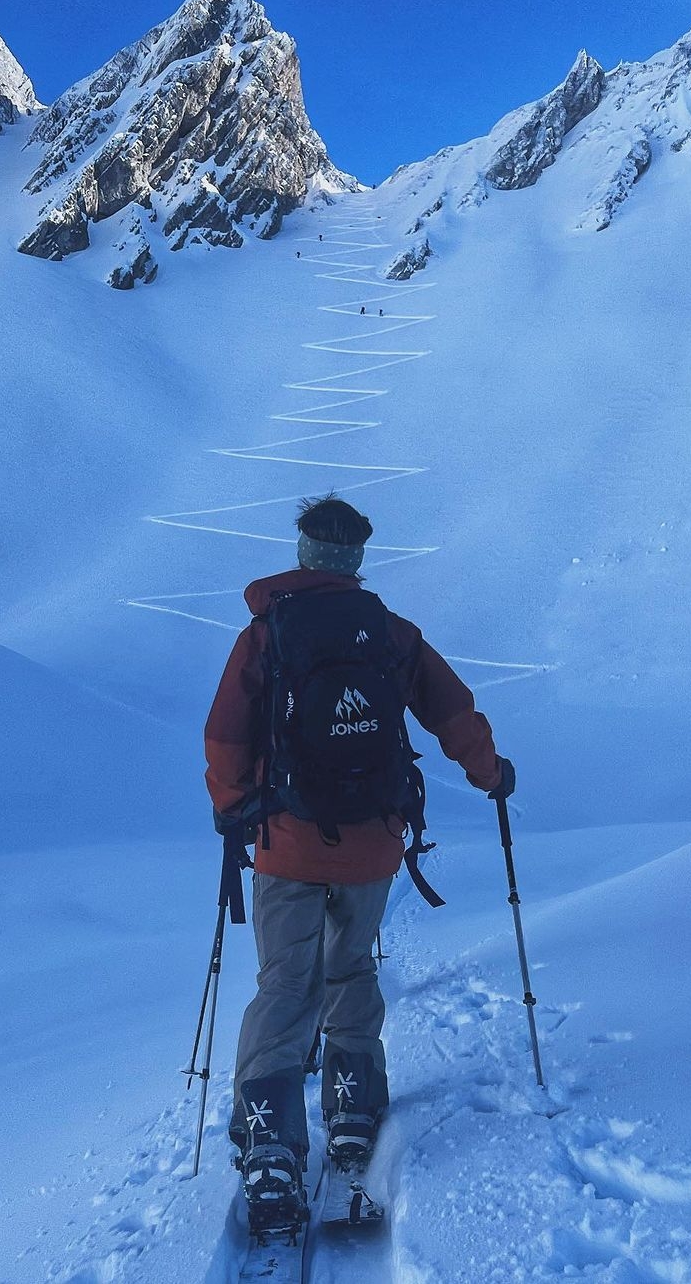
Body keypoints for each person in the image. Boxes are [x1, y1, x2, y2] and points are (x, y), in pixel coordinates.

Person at [205, 496, 514, 1228]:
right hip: (373, 842)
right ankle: (351, 1107)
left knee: (285, 983)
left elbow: (224, 737)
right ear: (357, 558)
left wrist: (235, 809)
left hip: (287, 841)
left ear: (305, 553)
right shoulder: (390, 634)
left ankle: (272, 1141)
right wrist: (490, 772)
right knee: (350, 968)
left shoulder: (266, 634)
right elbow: (452, 712)